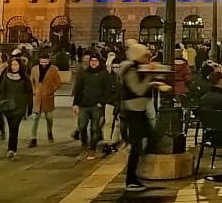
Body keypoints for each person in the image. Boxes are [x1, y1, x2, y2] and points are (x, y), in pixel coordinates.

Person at [120, 42, 169, 192]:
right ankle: (131, 178)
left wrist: (155, 83)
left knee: (148, 139)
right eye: (145, 56)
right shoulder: (130, 69)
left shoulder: (137, 68)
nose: (148, 59)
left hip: (139, 110)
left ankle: (136, 175)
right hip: (133, 111)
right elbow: (139, 89)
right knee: (138, 145)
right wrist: (150, 75)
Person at [72, 52, 115, 159]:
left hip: (97, 106)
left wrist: (102, 102)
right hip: (84, 105)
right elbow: (79, 89)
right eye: (92, 61)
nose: (93, 63)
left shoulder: (104, 73)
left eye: (96, 61)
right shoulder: (84, 73)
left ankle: (92, 149)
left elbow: (107, 90)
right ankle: (84, 146)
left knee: (94, 129)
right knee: (82, 126)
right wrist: (75, 103)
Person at [0, 56, 32, 159]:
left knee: (14, 127)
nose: (14, 67)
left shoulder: (25, 78)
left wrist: (29, 107)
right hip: (8, 106)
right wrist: (0, 104)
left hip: (20, 107)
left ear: (20, 66)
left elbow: (29, 93)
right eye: (12, 65)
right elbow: (2, 91)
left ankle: (12, 149)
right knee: (11, 127)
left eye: (16, 64)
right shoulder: (6, 77)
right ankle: (11, 148)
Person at [28, 53, 62, 148]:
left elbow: (58, 82)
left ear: (48, 60)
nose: (43, 63)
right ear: (39, 60)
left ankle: (49, 132)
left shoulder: (53, 69)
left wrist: (52, 90)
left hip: (48, 96)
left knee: (49, 117)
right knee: (35, 118)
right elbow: (31, 81)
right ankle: (33, 138)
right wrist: (34, 91)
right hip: (37, 97)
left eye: (45, 61)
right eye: (42, 61)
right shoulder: (34, 69)